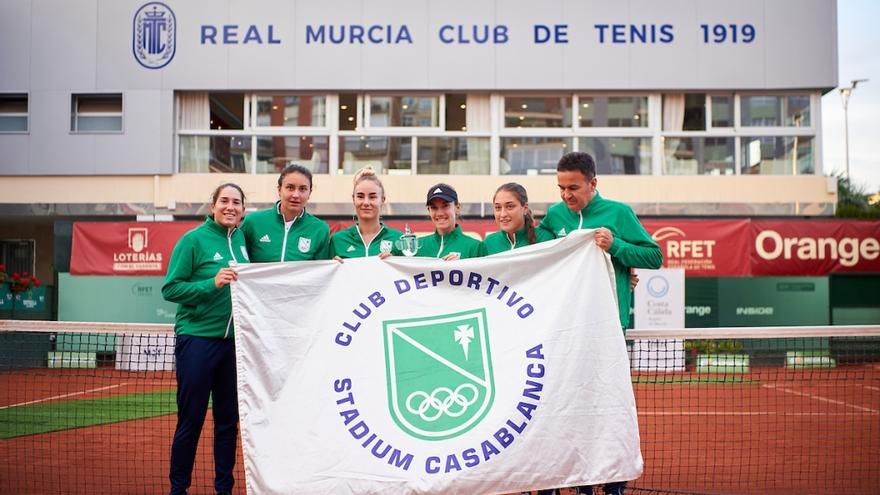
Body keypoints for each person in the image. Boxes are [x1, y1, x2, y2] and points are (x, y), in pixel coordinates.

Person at [537, 152, 662, 495]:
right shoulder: (555, 215)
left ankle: (614, 483)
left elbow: (654, 256)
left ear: (593, 184)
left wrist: (617, 246)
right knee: (567, 409)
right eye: (561, 187)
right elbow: (540, 249)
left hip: (608, 329)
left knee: (607, 412)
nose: (566, 195)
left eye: (573, 187)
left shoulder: (619, 213)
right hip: (565, 329)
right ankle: (580, 483)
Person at [162, 183, 249, 495]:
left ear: (243, 209)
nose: (230, 207)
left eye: (236, 202)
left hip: (234, 346)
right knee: (192, 420)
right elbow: (171, 288)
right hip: (197, 341)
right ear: (212, 205)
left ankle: (223, 488)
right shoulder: (193, 240)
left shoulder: (242, 239)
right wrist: (211, 283)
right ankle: (178, 489)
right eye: (224, 201)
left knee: (228, 422)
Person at [240, 164, 331, 262]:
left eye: (302, 189)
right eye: (290, 188)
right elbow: (236, 257)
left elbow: (322, 271)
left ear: (309, 193)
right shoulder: (253, 222)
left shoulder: (320, 229)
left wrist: (336, 265)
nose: (296, 195)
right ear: (279, 190)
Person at [330, 166, 403, 259]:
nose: (366, 203)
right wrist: (333, 266)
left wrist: (395, 263)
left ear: (382, 200)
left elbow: (409, 272)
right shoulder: (338, 240)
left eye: (372, 197)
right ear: (353, 199)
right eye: (360, 196)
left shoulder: (398, 239)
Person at [415, 183, 486, 260]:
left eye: (445, 206)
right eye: (434, 207)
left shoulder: (475, 247)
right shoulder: (417, 247)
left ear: (457, 208)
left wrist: (463, 265)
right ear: (429, 210)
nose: (440, 213)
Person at [483, 182, 554, 255]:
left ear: (525, 208)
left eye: (510, 206)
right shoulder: (488, 243)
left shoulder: (545, 239)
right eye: (498, 207)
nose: (503, 214)